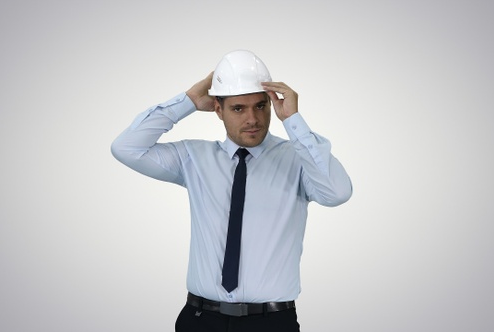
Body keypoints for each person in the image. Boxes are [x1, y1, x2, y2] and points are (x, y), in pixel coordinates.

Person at [111, 50, 352, 332]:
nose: (252, 118)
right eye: (238, 108)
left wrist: (294, 121)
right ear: (218, 110)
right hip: (200, 319)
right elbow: (126, 148)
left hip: (271, 323)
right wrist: (187, 101)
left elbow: (337, 193)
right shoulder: (193, 158)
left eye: (260, 106)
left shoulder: (298, 159)